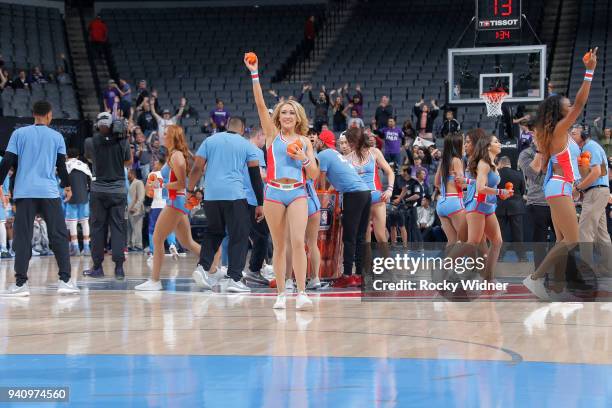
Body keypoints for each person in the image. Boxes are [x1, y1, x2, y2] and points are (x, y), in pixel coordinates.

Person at [243, 55, 319, 309]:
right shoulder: (272, 134)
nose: (286, 115)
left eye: (291, 112)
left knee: (298, 242)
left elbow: (316, 175)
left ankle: (301, 292)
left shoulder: (306, 141)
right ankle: (281, 294)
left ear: (298, 118)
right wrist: (255, 73)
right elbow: (260, 104)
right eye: (283, 112)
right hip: (273, 193)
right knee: (278, 245)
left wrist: (303, 159)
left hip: (298, 192)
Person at [524, 49, 598, 300]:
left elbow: (565, 164)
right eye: (564, 102)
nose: (569, 103)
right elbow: (580, 104)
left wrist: (581, 167)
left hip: (561, 186)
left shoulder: (562, 134)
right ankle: (535, 279)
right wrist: (589, 70)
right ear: (559, 110)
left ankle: (555, 286)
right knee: (572, 240)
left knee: (561, 239)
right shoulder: (559, 128)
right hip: (558, 187)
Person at [0, 101, 79, 296]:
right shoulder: (57, 136)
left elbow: (8, 160)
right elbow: (62, 165)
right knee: (58, 235)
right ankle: (65, 281)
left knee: (23, 237)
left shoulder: (19, 134)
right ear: (49, 115)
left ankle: (21, 284)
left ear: (33, 114)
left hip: (24, 193)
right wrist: (67, 186)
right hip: (49, 193)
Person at [187, 116, 265, 295]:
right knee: (240, 234)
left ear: (227, 125)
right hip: (234, 196)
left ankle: (202, 268)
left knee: (214, 232)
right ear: (243, 129)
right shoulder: (246, 145)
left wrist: (190, 190)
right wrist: (260, 203)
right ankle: (234, 279)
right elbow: (255, 175)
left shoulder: (210, 140)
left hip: (211, 196)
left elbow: (197, 168)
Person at [135, 125, 202, 291]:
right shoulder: (175, 155)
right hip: (178, 202)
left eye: (166, 133)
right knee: (188, 242)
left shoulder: (176, 156)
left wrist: (161, 184)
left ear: (172, 136)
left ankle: (155, 280)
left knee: (157, 239)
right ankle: (215, 266)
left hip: (175, 203)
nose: (163, 135)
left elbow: (181, 184)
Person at [316, 131, 371, 288]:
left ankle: (347, 275)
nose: (316, 143)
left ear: (322, 141)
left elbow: (321, 182)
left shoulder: (324, 154)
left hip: (353, 194)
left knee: (349, 237)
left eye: (318, 140)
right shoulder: (335, 154)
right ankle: (359, 275)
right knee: (360, 237)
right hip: (365, 193)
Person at [82, 112, 132, 280]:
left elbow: (90, 159)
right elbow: (128, 162)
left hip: (98, 191)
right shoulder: (123, 142)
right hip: (118, 191)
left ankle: (97, 267)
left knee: (97, 229)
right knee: (118, 229)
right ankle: (119, 269)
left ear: (98, 125)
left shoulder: (90, 142)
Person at [465, 134, 511, 281]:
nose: (500, 143)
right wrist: (499, 192)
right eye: (496, 141)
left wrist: (501, 194)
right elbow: (480, 188)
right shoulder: (484, 164)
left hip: (488, 207)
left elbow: (488, 186)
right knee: (473, 243)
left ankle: (488, 278)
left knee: (497, 242)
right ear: (488, 146)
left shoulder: (492, 163)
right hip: (477, 206)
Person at [573, 124, 611, 275]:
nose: (571, 136)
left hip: (596, 191)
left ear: (584, 135)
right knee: (602, 234)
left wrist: (579, 188)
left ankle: (586, 269)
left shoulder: (590, 147)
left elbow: (596, 172)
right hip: (599, 191)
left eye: (574, 134)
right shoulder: (589, 148)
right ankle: (608, 268)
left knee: (584, 231)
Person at [346, 127, 394, 245]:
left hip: (376, 197)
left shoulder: (374, 152)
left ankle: (387, 263)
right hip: (360, 200)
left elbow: (390, 172)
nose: (349, 144)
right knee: (364, 237)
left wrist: (390, 190)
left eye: (351, 141)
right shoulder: (347, 158)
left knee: (381, 236)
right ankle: (366, 263)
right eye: (349, 141)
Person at [518, 137, 553, 270]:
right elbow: (533, 175)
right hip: (537, 202)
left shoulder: (556, 150)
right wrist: (540, 151)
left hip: (558, 201)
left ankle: (562, 270)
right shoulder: (526, 154)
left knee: (565, 240)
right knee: (540, 240)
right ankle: (540, 271)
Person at [144, 158, 179, 264]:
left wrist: (148, 187)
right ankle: (172, 245)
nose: (153, 164)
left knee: (152, 229)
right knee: (169, 227)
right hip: (168, 205)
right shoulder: (170, 173)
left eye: (155, 162)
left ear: (160, 163)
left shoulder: (152, 174)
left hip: (156, 205)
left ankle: (152, 251)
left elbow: (149, 194)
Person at [434, 132, 467, 245]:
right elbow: (462, 185)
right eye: (463, 144)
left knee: (452, 241)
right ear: (457, 145)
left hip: (441, 203)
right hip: (454, 202)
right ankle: (473, 262)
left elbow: (436, 182)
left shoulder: (443, 161)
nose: (464, 146)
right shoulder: (457, 160)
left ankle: (448, 263)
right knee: (465, 240)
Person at [495, 156, 526, 258]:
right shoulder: (518, 174)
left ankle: (499, 256)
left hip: (499, 206)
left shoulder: (496, 174)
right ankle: (522, 257)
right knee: (518, 233)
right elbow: (522, 191)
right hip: (516, 206)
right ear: (509, 163)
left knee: (500, 233)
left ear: (500, 163)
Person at [65, 148, 92, 256]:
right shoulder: (84, 165)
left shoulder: (66, 165)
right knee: (85, 222)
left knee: (72, 222)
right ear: (77, 156)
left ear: (67, 156)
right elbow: (90, 180)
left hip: (71, 196)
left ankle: (75, 247)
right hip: (84, 196)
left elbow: (63, 181)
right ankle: (86, 248)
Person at [127, 169, 145, 252]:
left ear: (132, 174)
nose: (127, 175)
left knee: (137, 228)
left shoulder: (139, 182)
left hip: (136, 210)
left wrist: (136, 207)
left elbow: (141, 196)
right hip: (128, 209)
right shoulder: (128, 183)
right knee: (130, 229)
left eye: (128, 173)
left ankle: (138, 245)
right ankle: (130, 245)